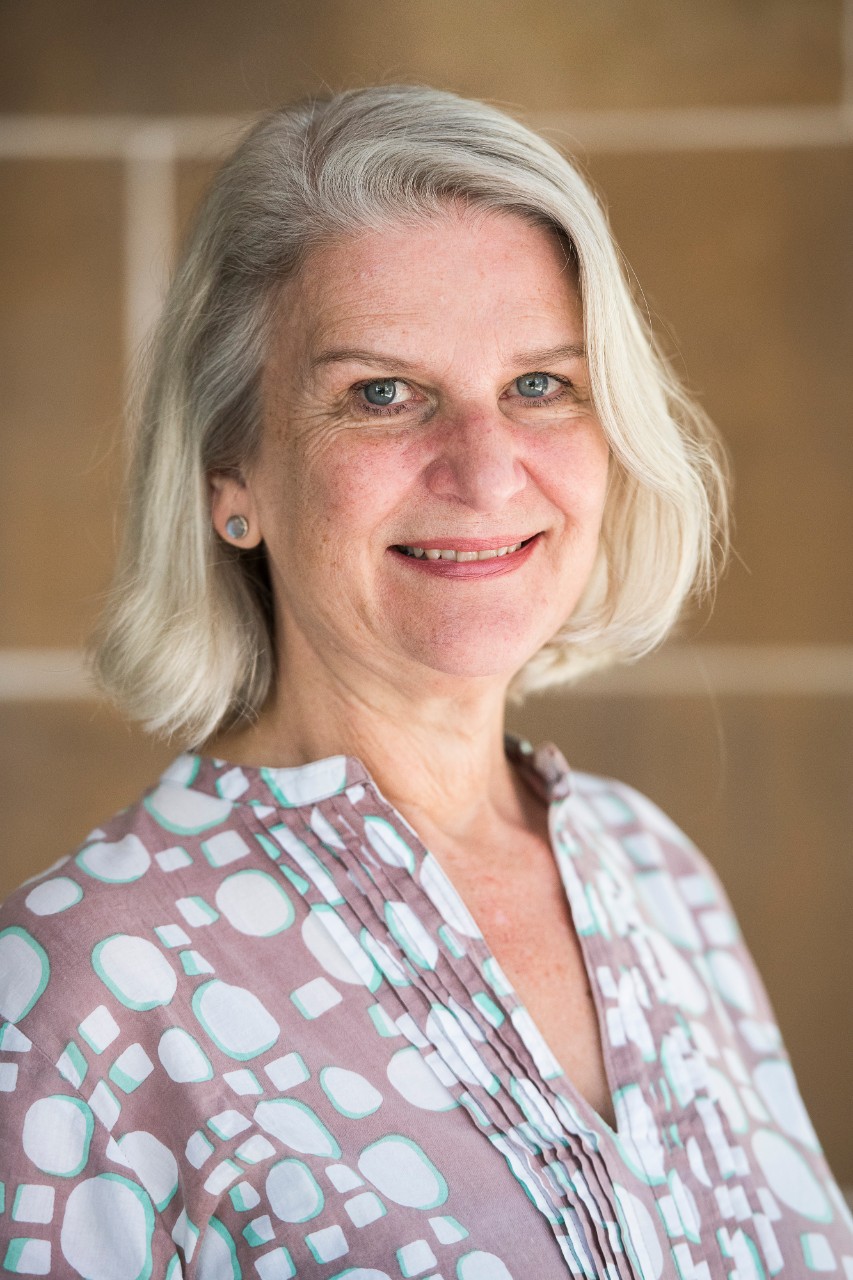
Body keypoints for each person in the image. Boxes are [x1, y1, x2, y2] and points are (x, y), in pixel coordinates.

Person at [0, 84, 849, 1280]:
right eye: (382, 394)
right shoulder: (83, 980)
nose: (487, 470)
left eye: (541, 384)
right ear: (228, 471)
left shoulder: (652, 868)